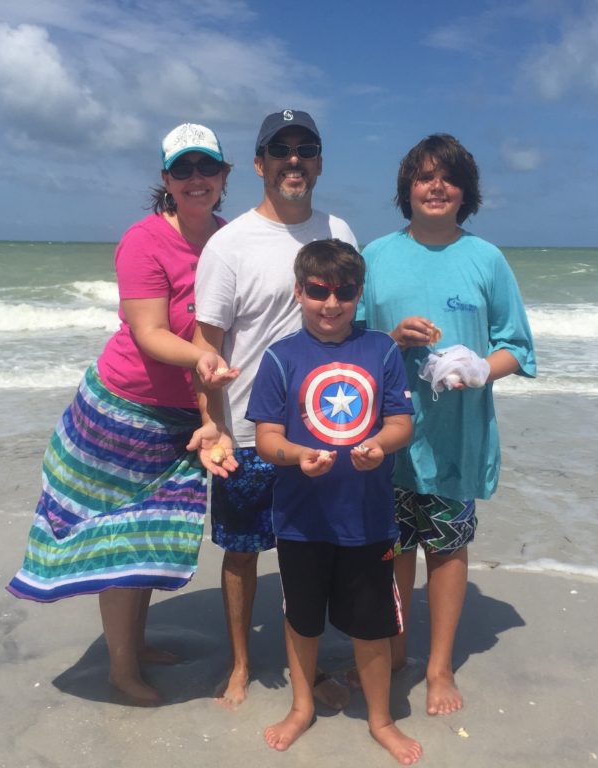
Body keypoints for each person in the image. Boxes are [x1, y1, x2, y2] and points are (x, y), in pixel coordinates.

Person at [7, 123, 237, 706]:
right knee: (122, 539)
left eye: (205, 168)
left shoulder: (230, 240)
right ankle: (121, 669)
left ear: (223, 176)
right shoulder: (143, 241)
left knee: (151, 539)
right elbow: (150, 333)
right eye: (182, 170)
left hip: (187, 413)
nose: (195, 180)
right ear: (166, 180)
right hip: (124, 414)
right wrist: (205, 357)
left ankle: (135, 645)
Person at [358, 134, 536, 716]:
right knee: (391, 547)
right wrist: (389, 338)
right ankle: (397, 650)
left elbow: (519, 347)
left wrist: (481, 367)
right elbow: (344, 342)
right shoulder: (377, 254)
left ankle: (438, 669)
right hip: (383, 434)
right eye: (424, 177)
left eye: (449, 178)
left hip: (456, 435)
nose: (436, 187)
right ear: (406, 189)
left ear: (466, 193)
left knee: (446, 548)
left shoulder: (486, 258)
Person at [187, 109, 359, 710]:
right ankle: (239, 664)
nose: (293, 159)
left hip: (326, 430)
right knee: (241, 551)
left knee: (318, 551)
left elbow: (352, 325)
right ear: (259, 164)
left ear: (317, 161)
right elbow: (205, 346)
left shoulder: (338, 230)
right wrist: (210, 425)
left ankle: (310, 664)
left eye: (305, 147)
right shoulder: (228, 244)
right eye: (279, 149)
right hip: (249, 432)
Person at [247, 239, 421, 765]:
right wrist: (298, 454)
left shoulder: (382, 351)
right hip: (301, 521)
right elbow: (266, 441)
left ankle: (381, 718)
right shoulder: (280, 357)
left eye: (343, 292)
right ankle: (301, 708)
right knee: (302, 621)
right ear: (299, 291)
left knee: (372, 627)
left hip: (367, 521)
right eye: (318, 291)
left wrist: (379, 446)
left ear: (358, 294)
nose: (331, 304)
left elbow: (402, 424)